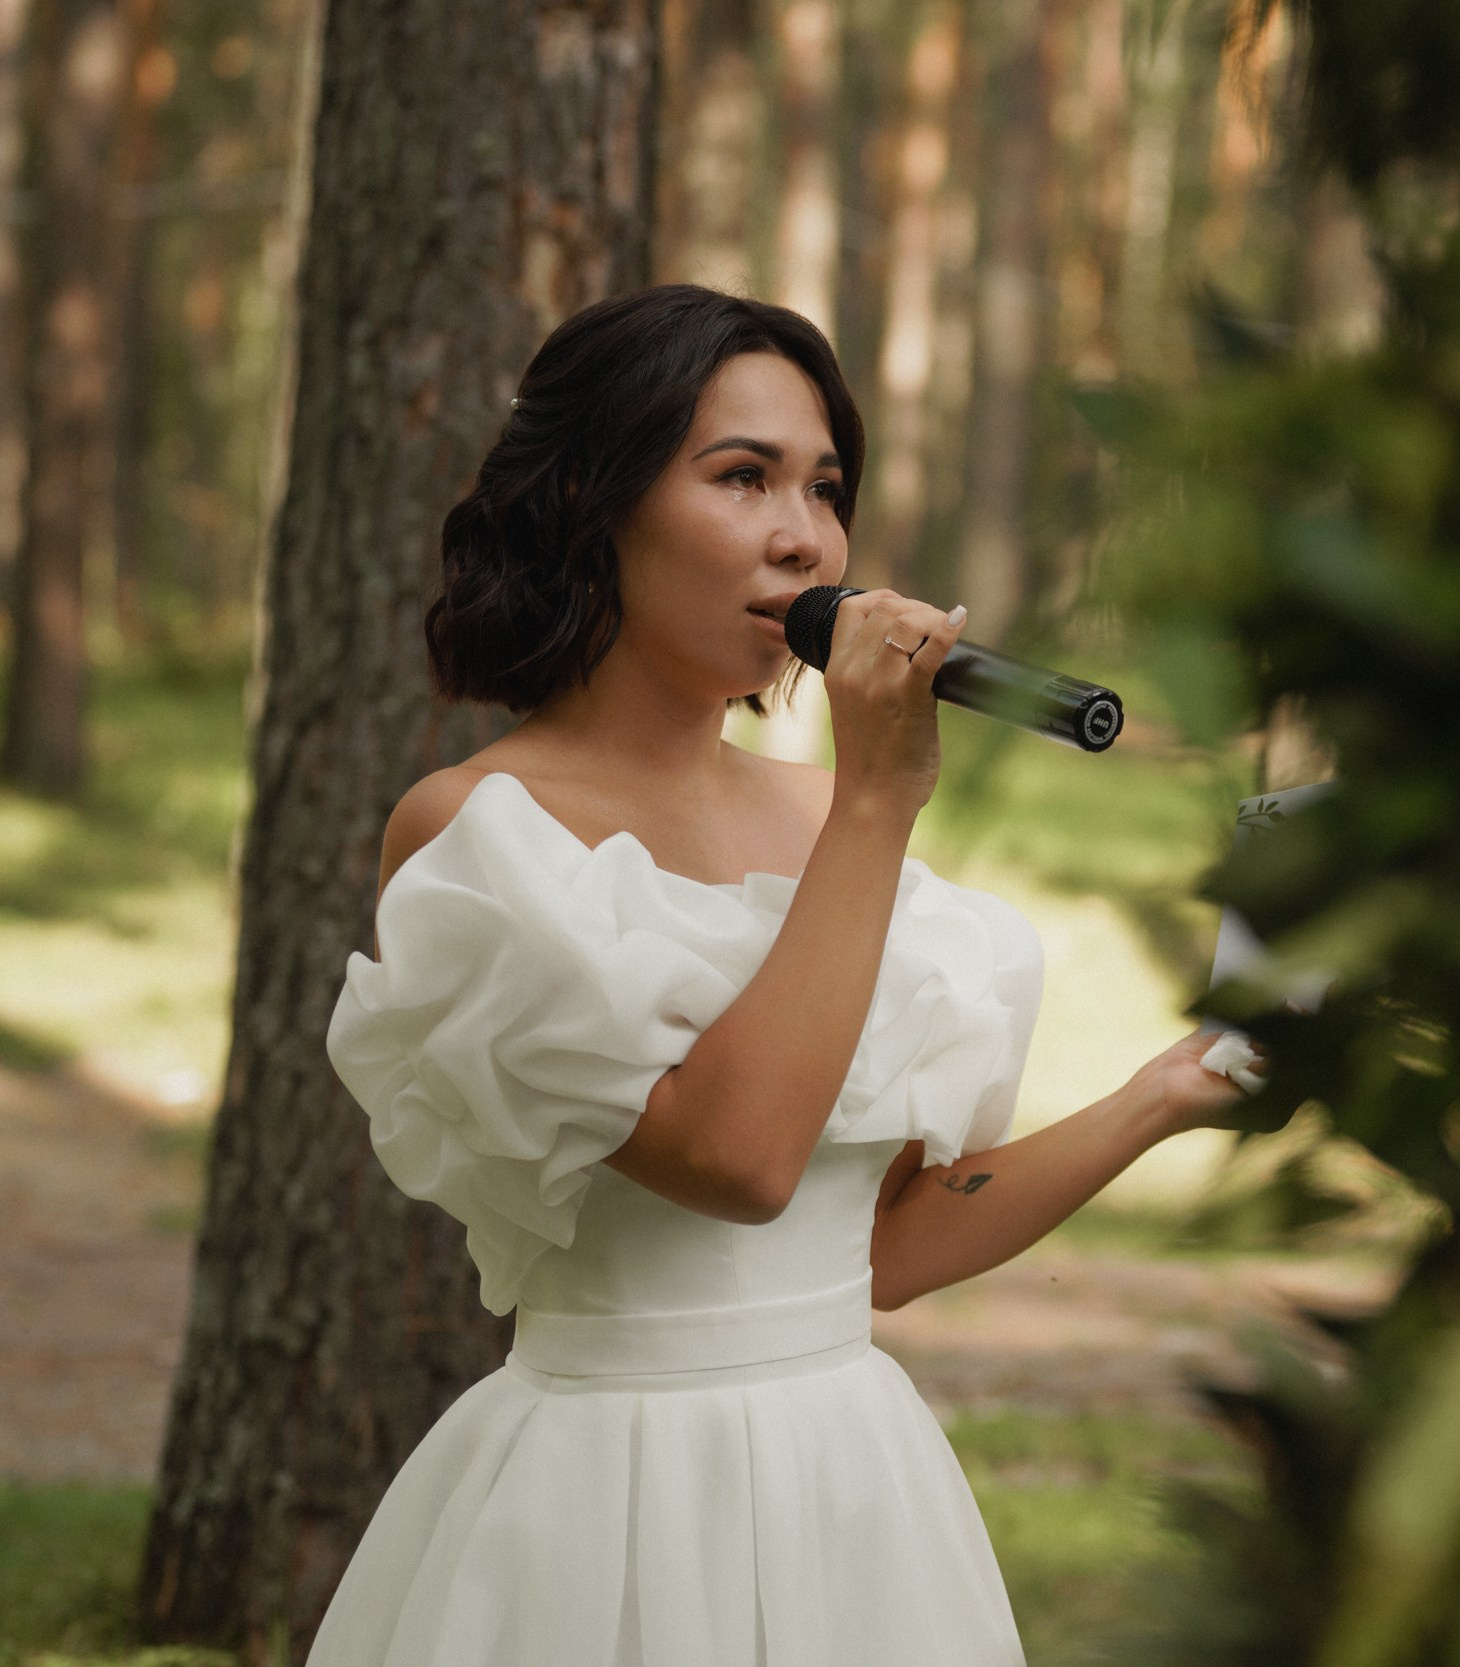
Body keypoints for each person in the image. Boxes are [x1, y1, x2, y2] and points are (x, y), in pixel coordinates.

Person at [309, 284, 1248, 1664]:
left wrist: (1166, 1093)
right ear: (593, 495)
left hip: (858, 1488)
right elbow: (737, 1161)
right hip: (613, 1501)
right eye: (741, 477)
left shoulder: (825, 820)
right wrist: (876, 800)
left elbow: (883, 1251)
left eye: (825, 487)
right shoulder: (480, 838)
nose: (804, 536)